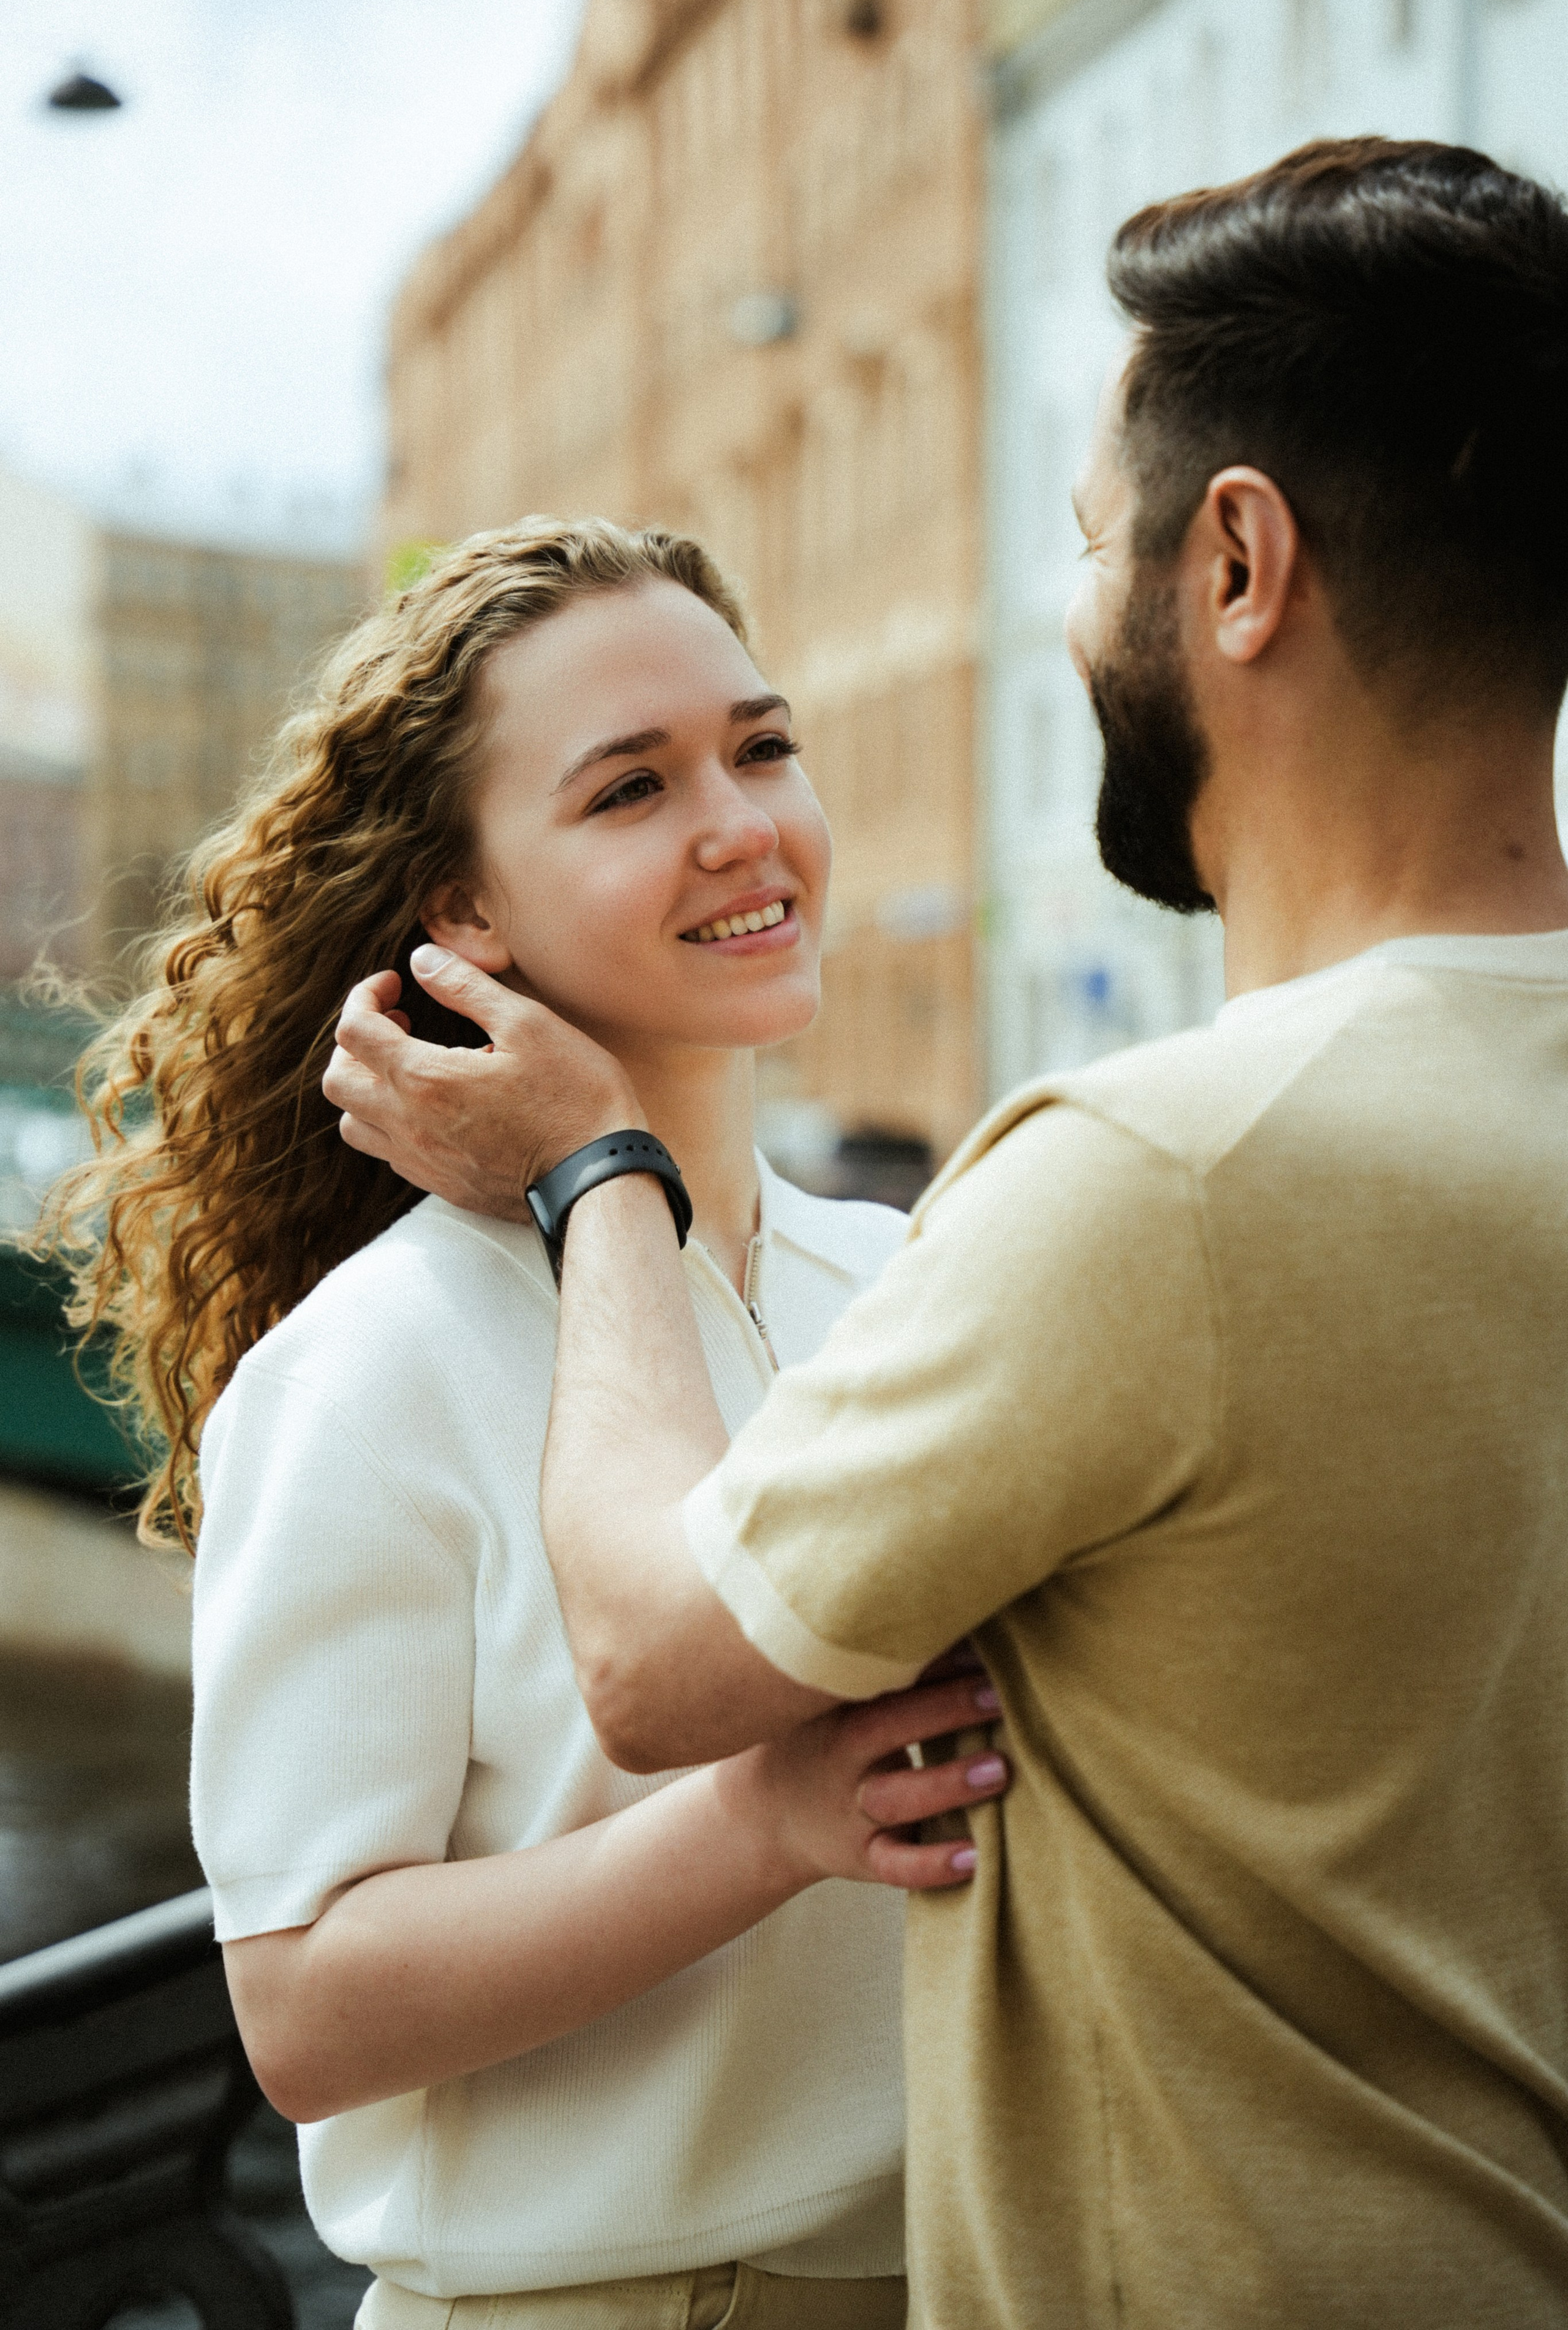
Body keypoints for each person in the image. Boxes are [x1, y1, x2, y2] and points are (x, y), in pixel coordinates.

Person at [325, 138, 1568, 2328]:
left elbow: (650, 1649)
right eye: (631, 785)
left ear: (1242, 564)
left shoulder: (1158, 1180)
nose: (1069, 611)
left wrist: (594, 1174)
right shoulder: (377, 1363)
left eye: (1097, 543)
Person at [39, 518, 1017, 2329]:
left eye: (763, 746)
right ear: (465, 914)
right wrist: (761, 1824)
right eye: (631, 788)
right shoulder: (372, 1366)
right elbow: (305, 2006)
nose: (742, 823)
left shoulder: (918, 1274)